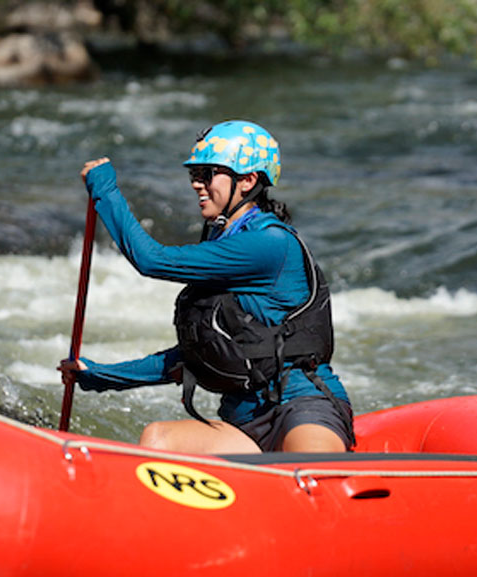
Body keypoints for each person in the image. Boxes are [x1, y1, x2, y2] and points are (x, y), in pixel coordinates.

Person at [58, 120, 354, 454]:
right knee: (157, 438)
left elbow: (151, 260)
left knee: (309, 474)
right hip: (242, 422)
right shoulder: (225, 237)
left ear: (248, 181)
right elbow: (194, 357)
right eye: (193, 175)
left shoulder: (269, 245)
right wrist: (98, 375)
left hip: (302, 408)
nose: (197, 185)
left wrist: (106, 192)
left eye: (208, 174)